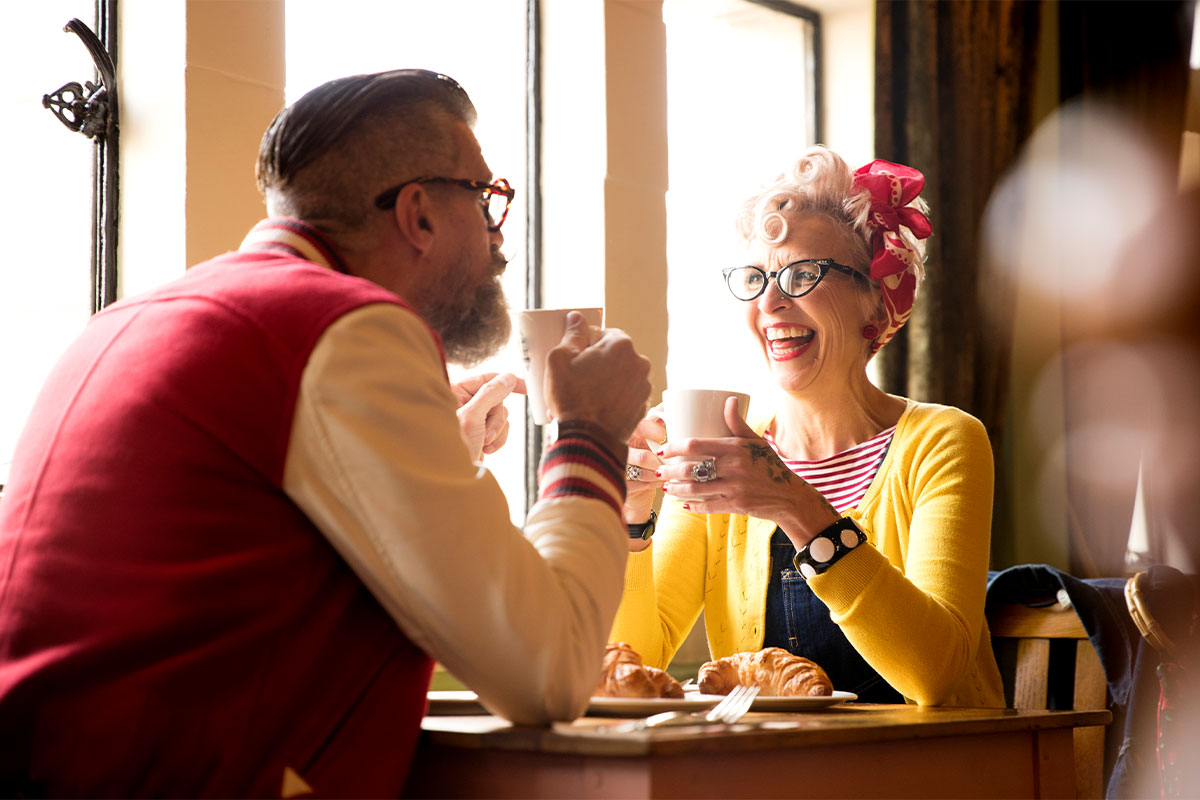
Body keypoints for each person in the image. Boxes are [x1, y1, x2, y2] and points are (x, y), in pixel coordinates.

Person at [0, 69, 651, 797]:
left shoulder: (131, 317)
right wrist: (590, 435)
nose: (500, 238)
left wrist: (437, 441)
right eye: (486, 197)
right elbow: (547, 671)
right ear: (420, 215)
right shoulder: (349, 330)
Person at [614, 146, 1004, 707]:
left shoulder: (943, 441)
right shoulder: (719, 449)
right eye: (754, 278)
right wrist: (630, 513)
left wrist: (795, 506)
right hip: (774, 772)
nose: (770, 302)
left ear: (875, 303)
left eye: (802, 275)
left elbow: (935, 674)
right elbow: (634, 663)